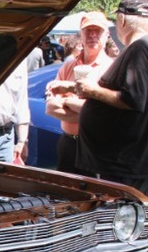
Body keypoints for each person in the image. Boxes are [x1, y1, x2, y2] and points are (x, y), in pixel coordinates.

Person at [75, 0, 148, 252]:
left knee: (118, 230)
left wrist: (91, 89)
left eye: (116, 20)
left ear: (125, 20)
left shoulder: (142, 49)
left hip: (124, 160)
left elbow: (132, 98)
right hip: (128, 158)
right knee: (128, 230)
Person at [44, 12, 115, 174]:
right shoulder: (67, 67)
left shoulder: (112, 70)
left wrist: (67, 101)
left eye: (98, 31)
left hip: (97, 146)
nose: (92, 35)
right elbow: (51, 108)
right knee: (66, 195)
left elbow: (106, 117)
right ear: (80, 34)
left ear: (107, 35)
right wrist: (90, 112)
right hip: (68, 144)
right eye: (88, 30)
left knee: (96, 197)